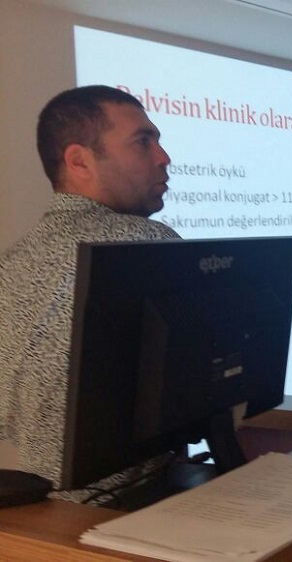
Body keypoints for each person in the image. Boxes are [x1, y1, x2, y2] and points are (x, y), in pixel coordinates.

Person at [0, 85, 179, 501]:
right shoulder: (146, 243)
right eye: (143, 142)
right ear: (79, 161)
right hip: (136, 502)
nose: (163, 157)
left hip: (41, 512)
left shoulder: (10, 263)